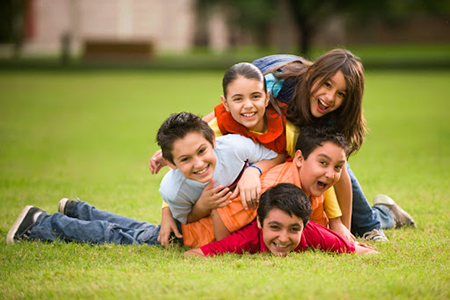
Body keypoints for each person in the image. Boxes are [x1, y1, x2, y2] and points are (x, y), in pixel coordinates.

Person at [6, 112, 278, 246]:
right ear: (170, 163)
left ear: (213, 141)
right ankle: (42, 224)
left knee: (141, 229)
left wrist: (254, 171)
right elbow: (185, 220)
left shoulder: (234, 146)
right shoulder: (173, 188)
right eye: (185, 160)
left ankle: (80, 211)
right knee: (130, 236)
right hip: (193, 230)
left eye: (202, 151)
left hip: (211, 223)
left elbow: (277, 155)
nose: (198, 164)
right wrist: (204, 206)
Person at [152, 62, 346, 245]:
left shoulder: (288, 133)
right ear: (226, 103)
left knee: (338, 171)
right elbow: (181, 165)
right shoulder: (219, 127)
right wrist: (166, 211)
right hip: (237, 201)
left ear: (267, 97)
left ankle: (370, 218)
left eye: (255, 96)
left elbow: (321, 169)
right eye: (238, 99)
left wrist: (337, 221)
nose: (248, 106)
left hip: (287, 187)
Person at [251, 49, 417, 240]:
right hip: (269, 136)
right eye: (327, 84)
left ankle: (371, 224)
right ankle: (382, 214)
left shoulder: (331, 115)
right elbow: (230, 110)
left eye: (341, 93)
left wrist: (342, 229)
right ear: (313, 74)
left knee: (331, 163)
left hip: (294, 137)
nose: (330, 97)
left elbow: (342, 173)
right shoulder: (277, 83)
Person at [185, 183, 377, 257]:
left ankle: (385, 212)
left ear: (305, 226)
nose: (283, 238)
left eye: (294, 229)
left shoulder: (312, 233)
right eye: (275, 227)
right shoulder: (248, 238)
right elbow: (192, 254)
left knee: (380, 218)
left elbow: (363, 252)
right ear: (259, 223)